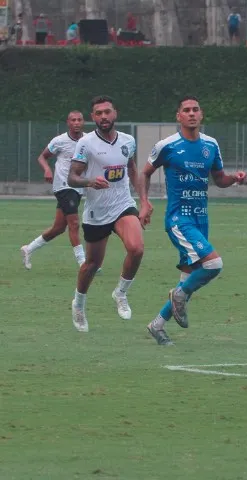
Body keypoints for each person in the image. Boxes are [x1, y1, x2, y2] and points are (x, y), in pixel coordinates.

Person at [139, 96, 247, 346]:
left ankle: (157, 325)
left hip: (201, 219)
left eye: (195, 109)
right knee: (213, 265)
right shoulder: (167, 145)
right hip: (179, 219)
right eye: (186, 110)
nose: (191, 114)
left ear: (201, 114)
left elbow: (219, 179)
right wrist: (144, 203)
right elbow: (145, 173)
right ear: (178, 116)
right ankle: (179, 295)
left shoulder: (211, 144)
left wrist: (234, 178)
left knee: (189, 278)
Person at [67, 95, 146, 332]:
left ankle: (120, 293)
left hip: (122, 205)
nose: (103, 117)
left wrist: (143, 201)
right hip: (96, 212)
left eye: (107, 112)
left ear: (115, 113)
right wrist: (90, 181)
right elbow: (72, 177)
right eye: (99, 113)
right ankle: (79, 304)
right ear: (93, 117)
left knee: (137, 248)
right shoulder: (86, 144)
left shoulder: (128, 141)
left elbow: (132, 169)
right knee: (91, 264)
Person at [21, 111, 86, 270]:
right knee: (74, 223)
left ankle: (29, 249)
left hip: (78, 187)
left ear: (83, 122)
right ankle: (83, 262)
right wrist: (47, 169)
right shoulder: (59, 141)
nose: (76, 122)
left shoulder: (88, 140)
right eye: (73, 120)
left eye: (79, 120)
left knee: (58, 228)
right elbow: (42, 157)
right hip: (63, 185)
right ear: (68, 123)